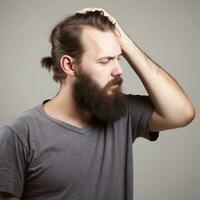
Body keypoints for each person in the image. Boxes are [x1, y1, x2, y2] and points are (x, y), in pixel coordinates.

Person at [0, 8, 195, 200]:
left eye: (118, 58)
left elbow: (181, 113)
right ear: (69, 65)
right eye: (105, 61)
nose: (119, 70)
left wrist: (125, 42)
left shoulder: (121, 113)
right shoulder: (18, 135)